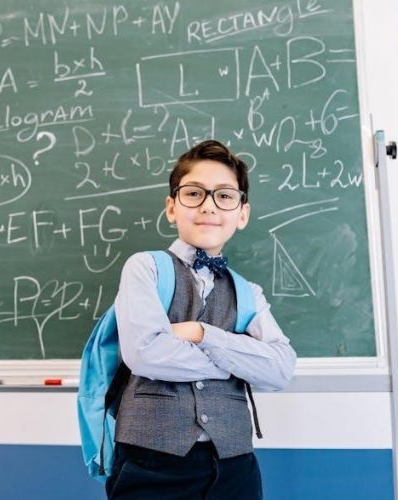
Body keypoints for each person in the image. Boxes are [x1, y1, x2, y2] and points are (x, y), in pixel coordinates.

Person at [107, 140, 297, 499]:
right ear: (171, 207)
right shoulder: (146, 268)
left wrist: (201, 333)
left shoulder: (247, 292)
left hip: (235, 463)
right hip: (152, 461)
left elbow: (280, 368)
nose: (209, 205)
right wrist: (237, 364)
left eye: (224, 196)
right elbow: (145, 354)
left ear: (242, 213)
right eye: (194, 193)